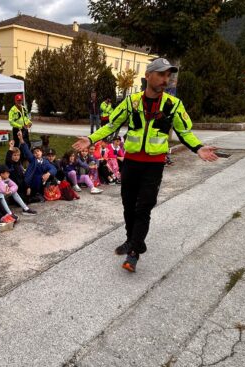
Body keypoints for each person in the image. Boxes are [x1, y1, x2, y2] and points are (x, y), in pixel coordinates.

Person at [73, 58, 218, 273]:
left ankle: (133, 252)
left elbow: (184, 132)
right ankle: (132, 240)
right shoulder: (132, 102)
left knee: (144, 207)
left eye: (168, 76)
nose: (165, 80)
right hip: (131, 163)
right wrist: (91, 139)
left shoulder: (173, 104)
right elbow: (111, 125)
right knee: (128, 205)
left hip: (154, 165)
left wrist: (198, 148)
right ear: (148, 76)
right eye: (160, 74)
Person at [18, 131, 57, 202]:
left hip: (41, 182)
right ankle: (35, 194)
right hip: (30, 182)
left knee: (50, 176)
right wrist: (21, 140)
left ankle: (42, 193)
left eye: (38, 151)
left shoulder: (45, 161)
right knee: (38, 177)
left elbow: (53, 168)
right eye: (35, 152)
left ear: (42, 152)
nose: (37, 153)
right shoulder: (33, 160)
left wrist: (48, 174)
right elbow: (26, 151)